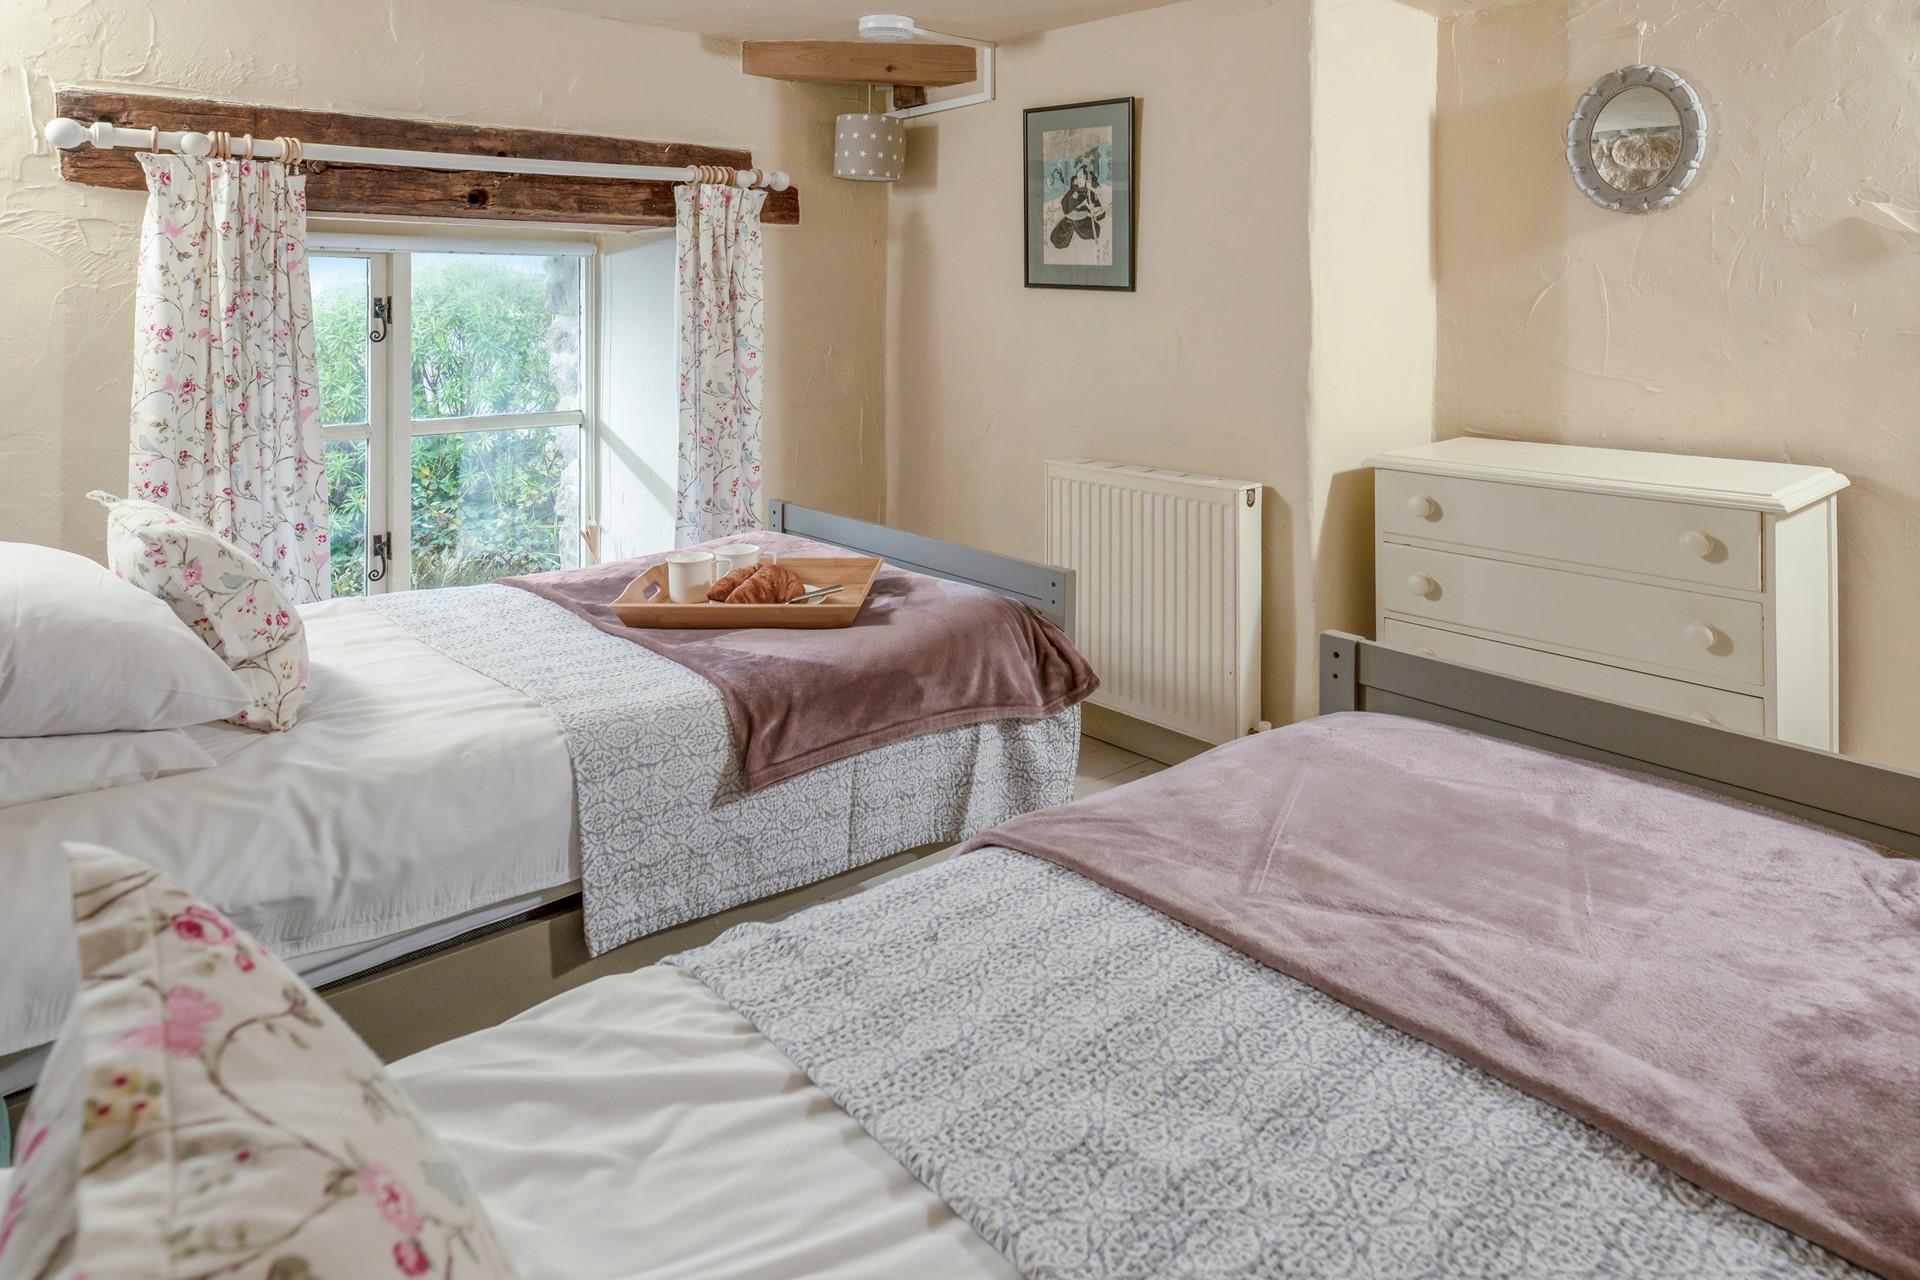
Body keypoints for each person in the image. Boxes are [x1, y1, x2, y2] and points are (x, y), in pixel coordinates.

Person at [1050, 161, 1108, 251]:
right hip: (1070, 219)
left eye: (1081, 177)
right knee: (1058, 239)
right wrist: (1073, 199)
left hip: (1083, 221)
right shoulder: (1074, 189)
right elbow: (1064, 204)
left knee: (1095, 231)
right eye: (1077, 177)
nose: (1079, 179)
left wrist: (1096, 212)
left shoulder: (1090, 192)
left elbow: (1099, 211)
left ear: (1086, 178)